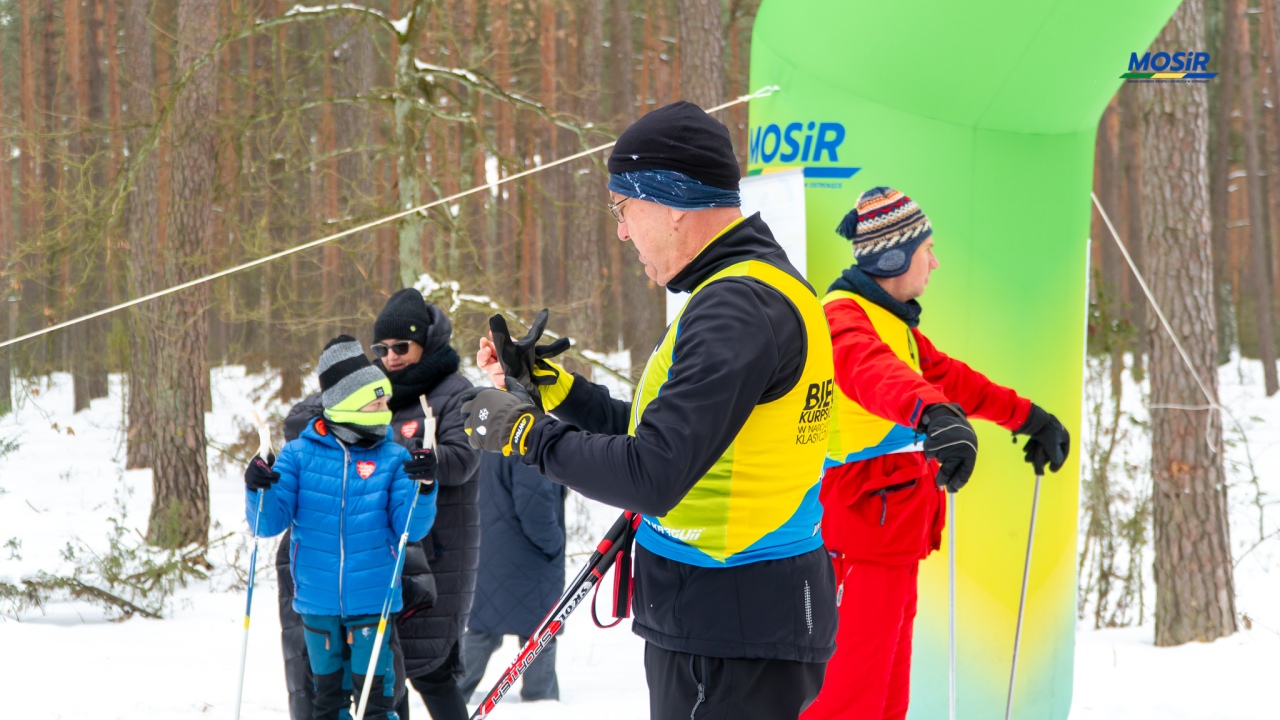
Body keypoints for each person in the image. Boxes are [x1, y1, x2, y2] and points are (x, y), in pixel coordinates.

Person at [461, 101, 838, 719]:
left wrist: (526, 435)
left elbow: (653, 472)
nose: (622, 231)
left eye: (623, 208)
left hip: (731, 622)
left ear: (671, 201)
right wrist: (557, 391)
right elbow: (675, 435)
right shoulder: (749, 292)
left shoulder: (735, 309)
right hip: (734, 617)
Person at [799, 187, 1071, 720]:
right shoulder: (842, 319)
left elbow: (952, 380)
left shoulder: (893, 323)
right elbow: (872, 371)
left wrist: (1030, 419)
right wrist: (932, 414)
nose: (936, 262)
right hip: (858, 541)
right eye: (928, 250)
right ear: (894, 256)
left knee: (887, 700)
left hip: (893, 536)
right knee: (848, 701)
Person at [277, 290, 481, 720]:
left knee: (431, 668)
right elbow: (300, 420)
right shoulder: (368, 388)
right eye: (381, 349)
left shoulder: (453, 391)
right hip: (373, 551)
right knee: (381, 668)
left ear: (427, 343)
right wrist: (342, 409)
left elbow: (463, 460)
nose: (391, 357)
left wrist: (409, 458)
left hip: (438, 547)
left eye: (401, 347)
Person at [246, 335, 440, 720]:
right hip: (318, 605)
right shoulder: (299, 456)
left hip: (373, 603)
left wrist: (426, 486)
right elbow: (267, 523)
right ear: (350, 404)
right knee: (327, 704)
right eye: (378, 400)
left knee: (377, 705)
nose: (387, 408)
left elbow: (410, 529)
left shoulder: (392, 457)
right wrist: (257, 488)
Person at [458, 453, 568, 704]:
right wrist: (553, 544)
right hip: (529, 555)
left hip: (493, 546)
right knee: (541, 630)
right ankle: (541, 700)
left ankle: (452, 691)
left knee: (484, 627)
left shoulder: (494, 434)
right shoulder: (529, 437)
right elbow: (534, 504)